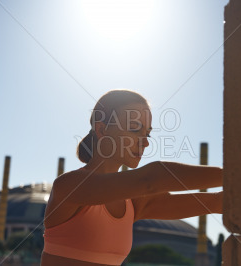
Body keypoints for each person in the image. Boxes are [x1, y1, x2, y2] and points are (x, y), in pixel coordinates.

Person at [41, 89, 223, 266]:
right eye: (135, 129)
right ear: (102, 129)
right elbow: (151, 179)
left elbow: (217, 202)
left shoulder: (133, 204)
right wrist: (232, 175)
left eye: (147, 133)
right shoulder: (69, 186)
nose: (145, 142)